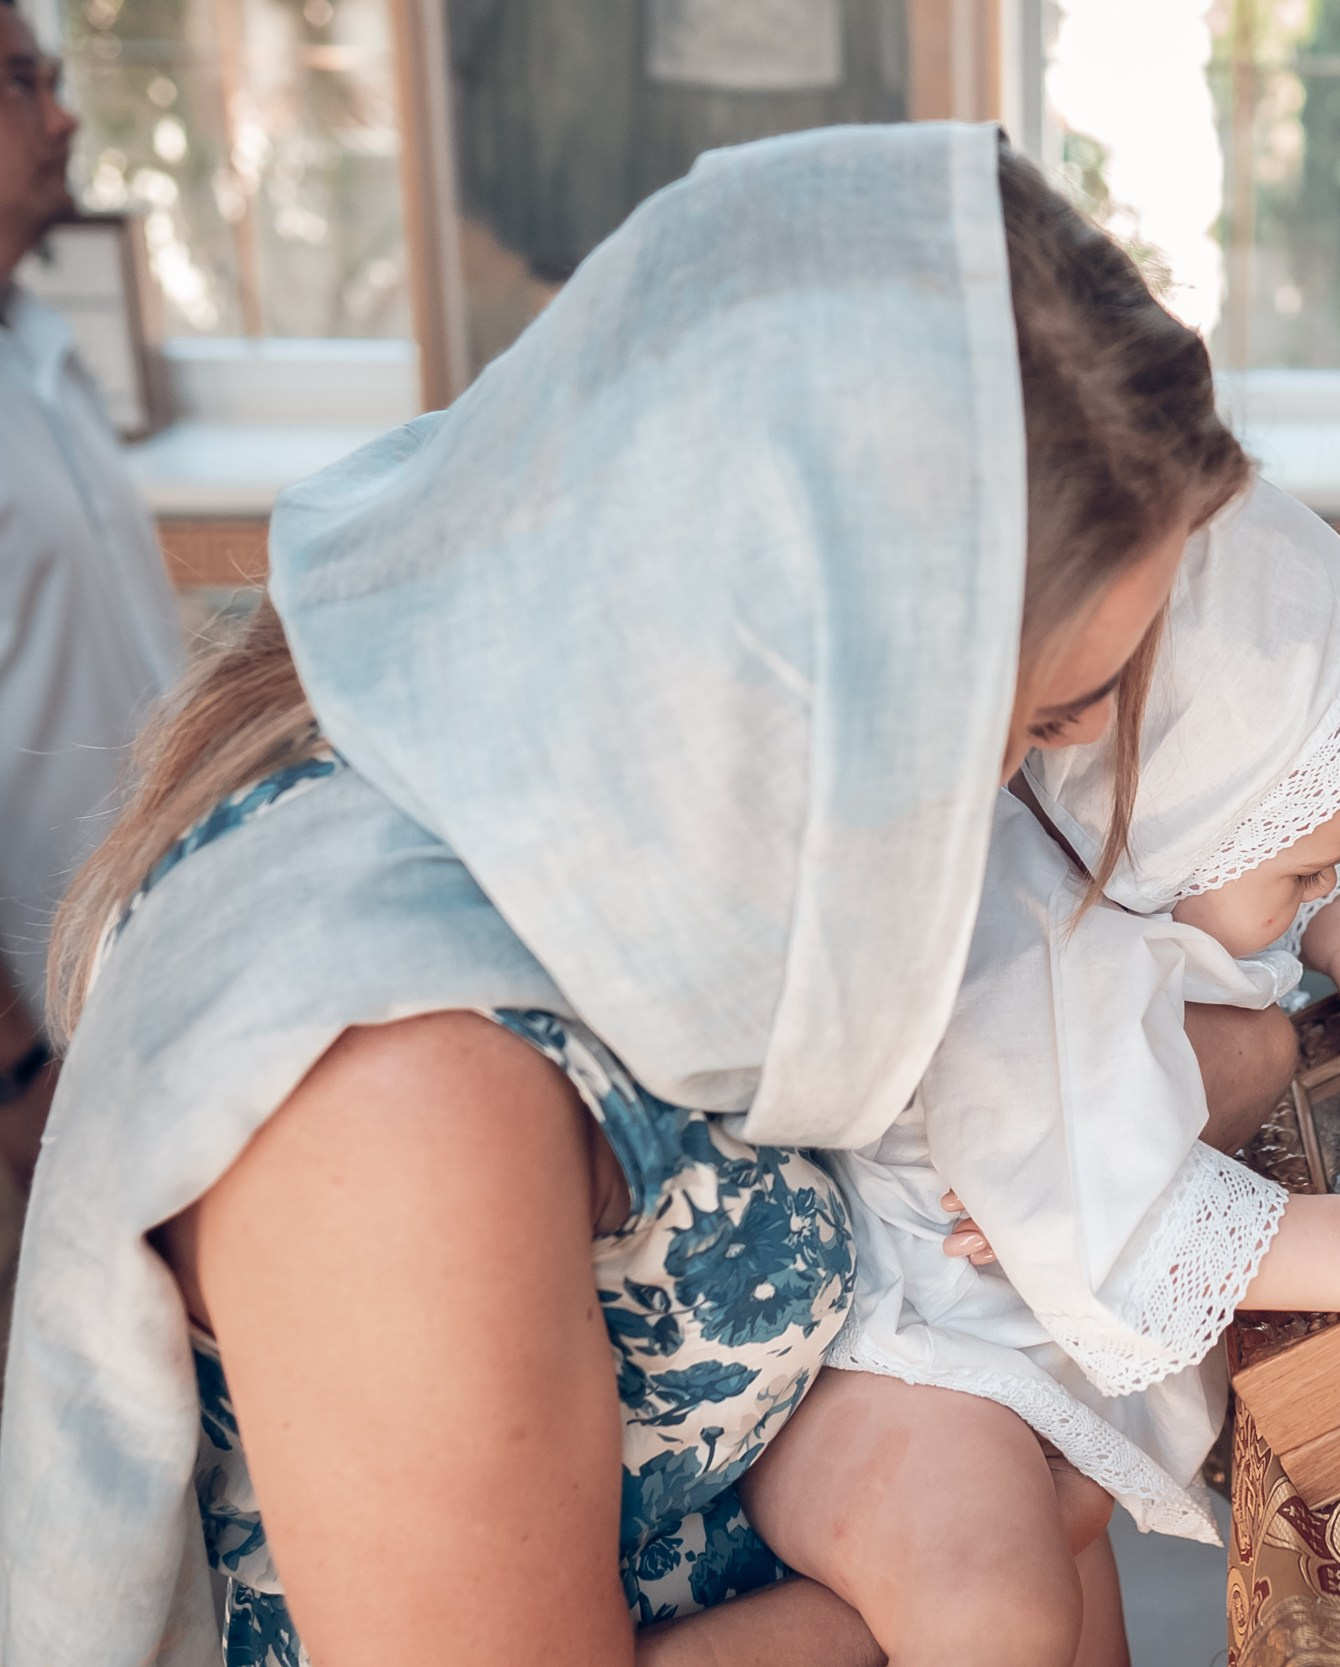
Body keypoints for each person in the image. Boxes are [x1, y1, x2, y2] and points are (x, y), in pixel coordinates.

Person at [0, 125, 1264, 1666]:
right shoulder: (401, 1083)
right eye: (1029, 721)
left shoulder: (684, 841)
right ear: (805, 675)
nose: (1010, 794)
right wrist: (1023, 1527)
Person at [736, 484, 1340, 1667]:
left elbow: (1260, 869)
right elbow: (1142, 1219)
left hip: (1017, 1348)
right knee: (995, 1612)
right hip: (913, 1352)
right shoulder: (1024, 955)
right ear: (1180, 814)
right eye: (1303, 874)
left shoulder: (1138, 838)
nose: (1317, 887)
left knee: (1083, 1622)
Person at [0, 0, 186, 1188]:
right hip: (37, 1058)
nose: (62, 117)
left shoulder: (42, 352)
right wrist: (16, 1074)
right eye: (23, 82)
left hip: (137, 996)